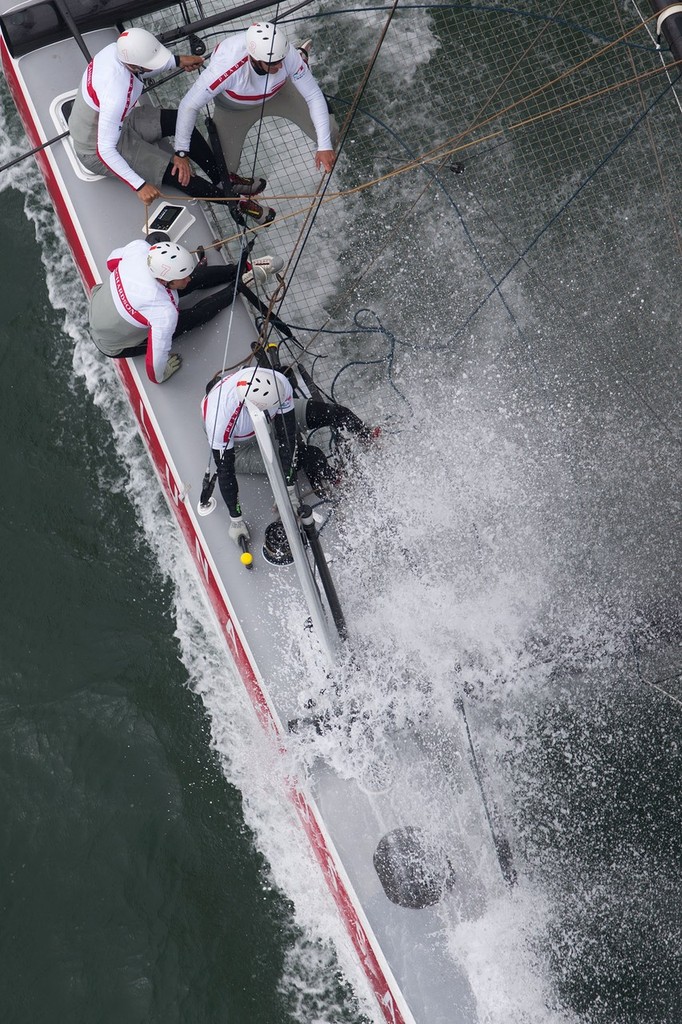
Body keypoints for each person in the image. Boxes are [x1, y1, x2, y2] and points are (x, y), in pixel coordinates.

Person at [67, 26, 269, 221]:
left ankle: (223, 180)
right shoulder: (117, 93)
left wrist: (178, 61)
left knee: (178, 121)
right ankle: (236, 202)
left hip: (119, 121)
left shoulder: (117, 51)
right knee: (176, 172)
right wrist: (139, 186)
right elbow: (105, 149)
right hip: (95, 149)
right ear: (134, 64)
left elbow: (142, 69)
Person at [201, 365, 377, 546]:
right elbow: (225, 471)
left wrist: (289, 487)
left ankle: (369, 438)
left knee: (338, 414)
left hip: (272, 420)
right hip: (241, 447)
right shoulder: (219, 420)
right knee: (312, 456)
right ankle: (337, 481)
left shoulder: (278, 383)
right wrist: (235, 519)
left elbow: (287, 437)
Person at [89, 236, 282, 383]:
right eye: (183, 276)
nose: (188, 278)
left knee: (193, 280)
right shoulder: (163, 312)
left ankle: (241, 269)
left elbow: (111, 263)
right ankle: (238, 287)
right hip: (113, 343)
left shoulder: (140, 250)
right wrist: (161, 375)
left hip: (99, 305)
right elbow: (154, 364)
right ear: (165, 280)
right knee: (191, 317)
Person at [174, 21, 337, 190]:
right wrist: (181, 152)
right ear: (255, 59)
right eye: (273, 63)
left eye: (281, 60)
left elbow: (313, 95)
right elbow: (189, 105)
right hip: (234, 109)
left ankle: (301, 61)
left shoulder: (286, 55)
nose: (280, 66)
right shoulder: (226, 68)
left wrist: (324, 147)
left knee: (330, 133)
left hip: (279, 92)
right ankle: (240, 187)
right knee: (219, 171)